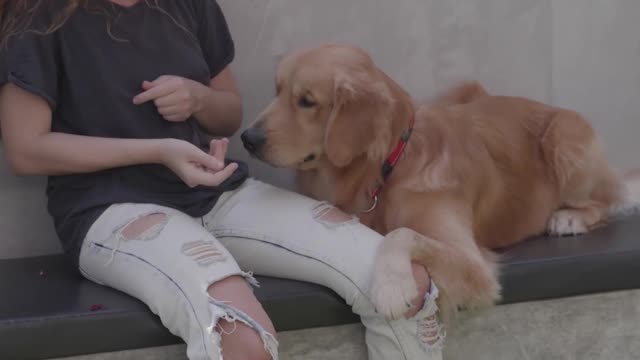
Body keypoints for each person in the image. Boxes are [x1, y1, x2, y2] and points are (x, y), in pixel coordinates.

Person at [0, 1, 446, 359]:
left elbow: (229, 112)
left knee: (405, 282)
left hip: (215, 194)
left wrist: (198, 99)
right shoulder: (38, 16)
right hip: (109, 210)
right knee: (237, 333)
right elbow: (26, 148)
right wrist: (157, 150)